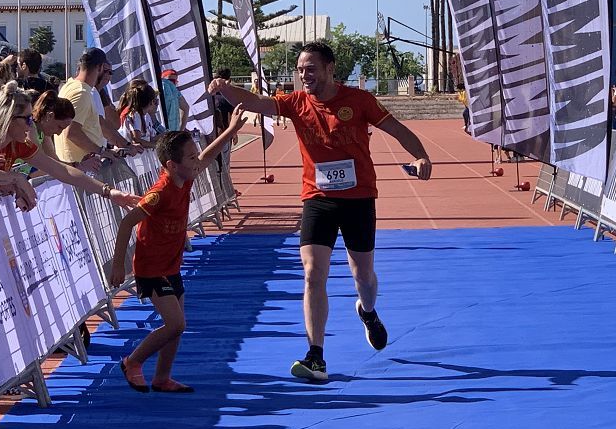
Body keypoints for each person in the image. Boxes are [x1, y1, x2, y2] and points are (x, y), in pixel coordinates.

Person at [208, 41, 433, 383]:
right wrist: (226, 88)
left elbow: (398, 130)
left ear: (330, 69)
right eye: (300, 70)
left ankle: (368, 311)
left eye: (310, 68)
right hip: (317, 197)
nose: (303, 75)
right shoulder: (296, 103)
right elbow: (255, 102)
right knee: (313, 273)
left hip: (358, 198)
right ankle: (315, 356)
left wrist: (421, 156)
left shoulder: (359, 101)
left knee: (363, 277)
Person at [109, 110, 246, 393]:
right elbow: (126, 223)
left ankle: (162, 377)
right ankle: (132, 361)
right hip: (151, 267)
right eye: (191, 157)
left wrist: (230, 130)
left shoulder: (187, 177)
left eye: (195, 156)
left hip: (171, 264)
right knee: (176, 324)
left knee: (176, 326)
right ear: (171, 165)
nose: (197, 161)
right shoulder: (159, 193)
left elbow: (207, 155)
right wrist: (118, 265)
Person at [0, 82, 140, 211]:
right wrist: (16, 178)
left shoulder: (18, 145)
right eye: (27, 119)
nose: (31, 125)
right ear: (8, 119)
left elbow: (62, 170)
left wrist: (108, 192)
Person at [57, 49, 132, 165]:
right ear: (100, 67)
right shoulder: (81, 92)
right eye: (107, 71)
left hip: (78, 165)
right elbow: (72, 132)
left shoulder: (69, 86)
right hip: (82, 167)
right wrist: (102, 151)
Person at [118, 83, 161, 148]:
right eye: (155, 101)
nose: (157, 104)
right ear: (151, 102)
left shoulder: (147, 116)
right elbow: (137, 140)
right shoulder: (135, 114)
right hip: (134, 157)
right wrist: (156, 146)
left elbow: (150, 139)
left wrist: (166, 136)